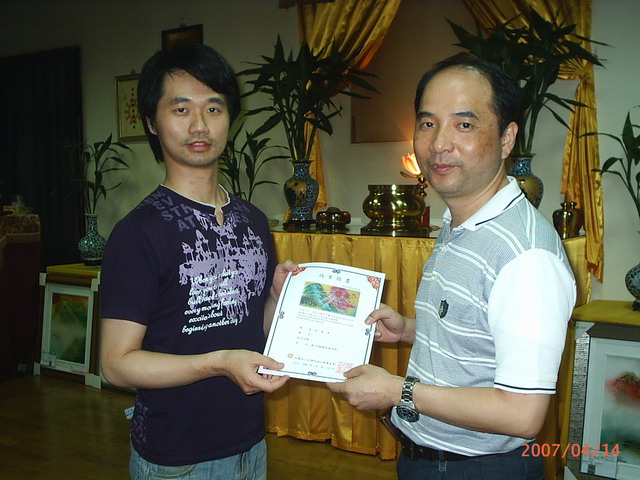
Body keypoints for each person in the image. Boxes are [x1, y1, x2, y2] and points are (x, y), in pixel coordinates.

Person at [327, 52, 576, 479]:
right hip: (428, 456)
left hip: (478, 468)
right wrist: (409, 329)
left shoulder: (526, 257)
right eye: (428, 123)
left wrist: (397, 390)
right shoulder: (462, 221)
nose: (439, 143)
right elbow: (483, 338)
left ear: (507, 139)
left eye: (464, 125)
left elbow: (521, 414)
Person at [100, 43, 292, 480]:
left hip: (250, 443)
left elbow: (253, 327)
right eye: (181, 109)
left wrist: (276, 297)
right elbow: (116, 364)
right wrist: (217, 362)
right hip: (177, 457)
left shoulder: (253, 220)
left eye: (214, 108)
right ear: (152, 122)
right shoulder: (139, 232)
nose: (200, 125)